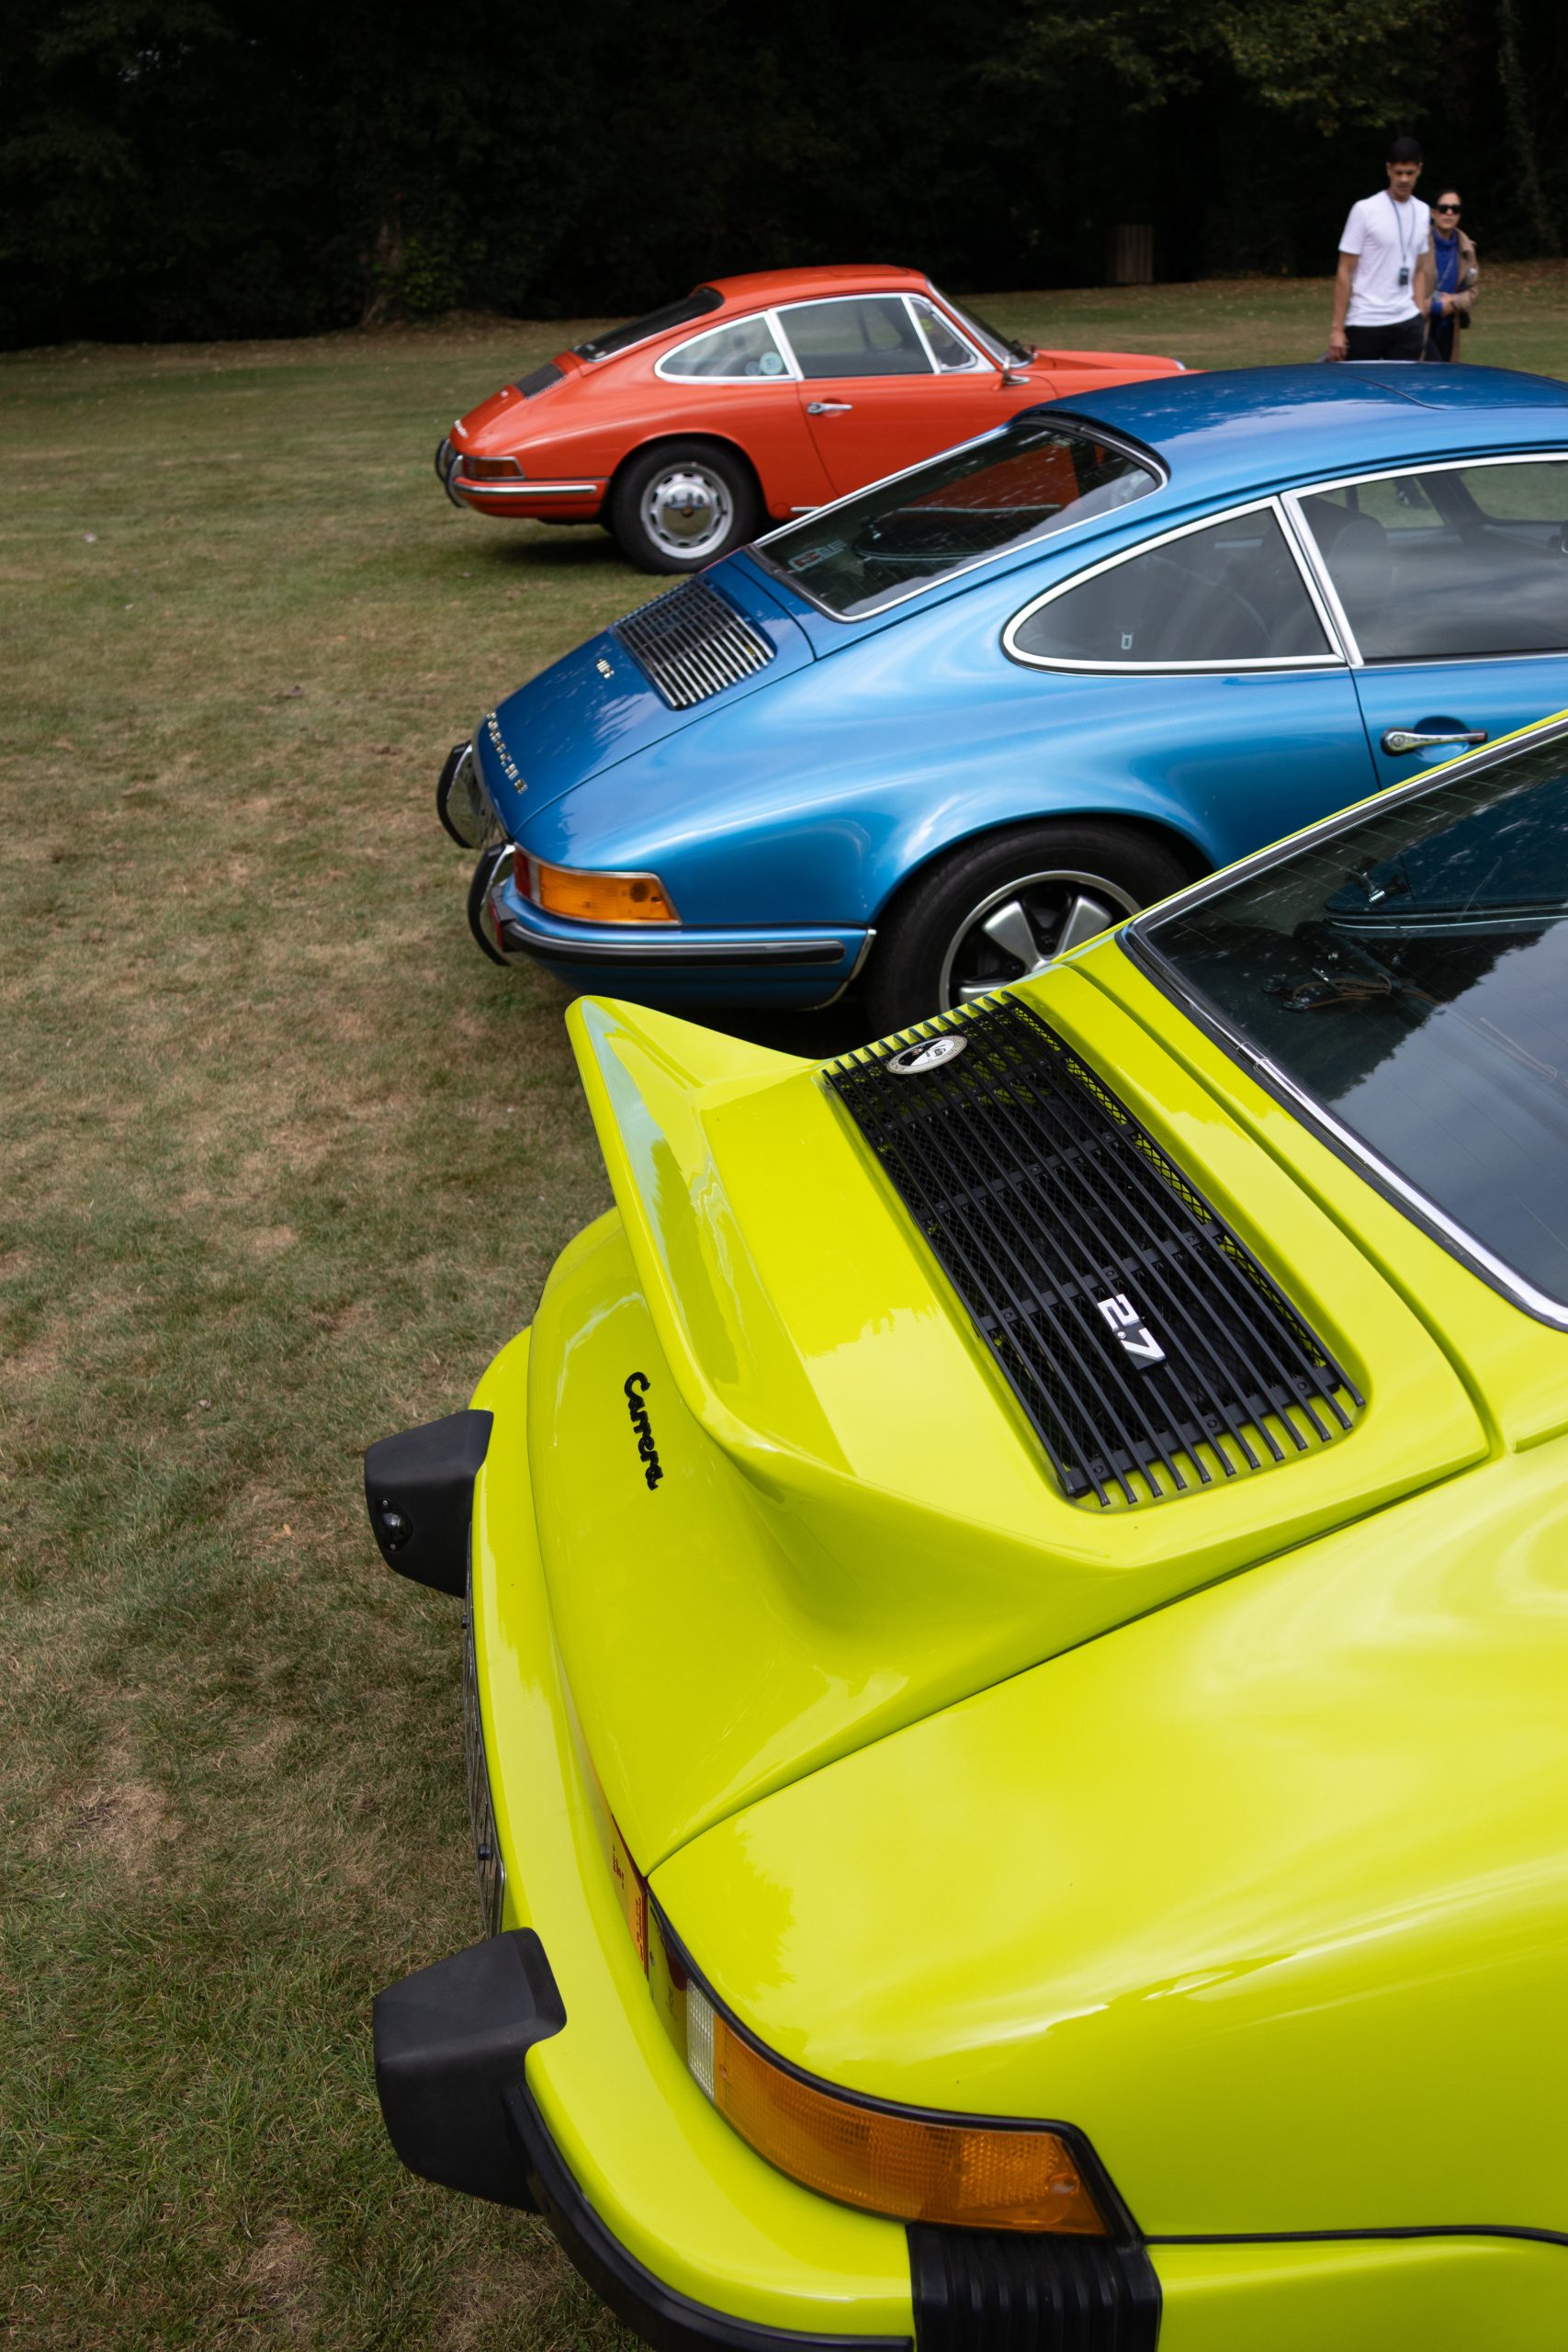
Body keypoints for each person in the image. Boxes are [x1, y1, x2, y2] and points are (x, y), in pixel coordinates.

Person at [1327, 135, 1434, 362]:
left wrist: (1419, 316)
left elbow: (1419, 269)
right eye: (1398, 172)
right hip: (1366, 321)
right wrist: (1337, 329)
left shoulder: (1423, 211)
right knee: (1362, 386)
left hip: (1407, 323)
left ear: (1419, 170)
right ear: (1388, 169)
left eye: (1410, 173)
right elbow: (1344, 271)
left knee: (1404, 385)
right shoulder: (1365, 210)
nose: (1403, 179)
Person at [1424, 190, 1479, 361]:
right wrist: (1436, 306)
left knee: (1447, 372)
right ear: (1434, 213)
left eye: (1455, 209)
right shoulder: (1418, 244)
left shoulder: (1467, 249)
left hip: (1449, 326)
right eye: (1443, 208)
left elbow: (1473, 291)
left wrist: (1453, 301)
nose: (1449, 213)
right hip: (1420, 326)